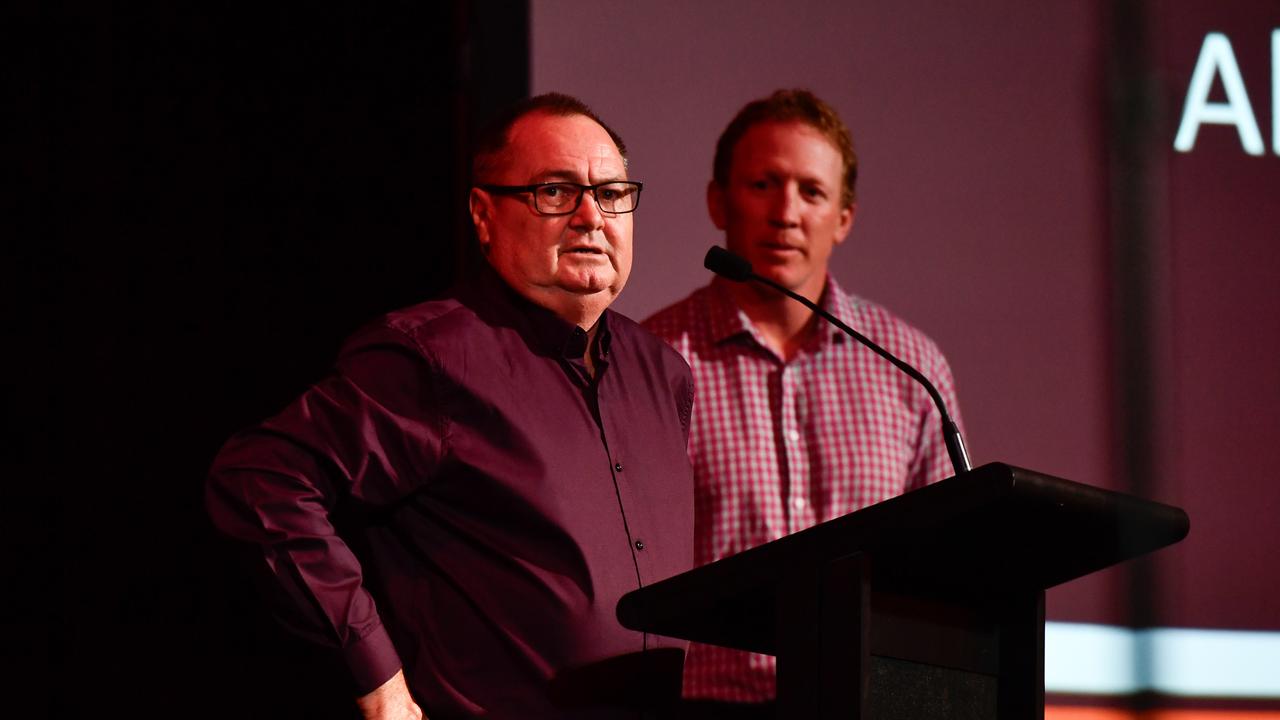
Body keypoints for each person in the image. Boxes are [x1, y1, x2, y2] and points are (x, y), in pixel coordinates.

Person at [207, 93, 695, 720]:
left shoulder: (665, 375)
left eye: (611, 193)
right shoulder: (433, 358)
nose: (590, 217)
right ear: (484, 214)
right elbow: (261, 479)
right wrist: (379, 680)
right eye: (555, 192)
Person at [643, 89, 964, 717]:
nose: (786, 212)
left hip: (873, 704)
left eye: (812, 192)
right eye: (764, 184)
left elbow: (949, 563)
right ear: (718, 201)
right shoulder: (655, 358)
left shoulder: (911, 365)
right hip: (709, 705)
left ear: (843, 218)